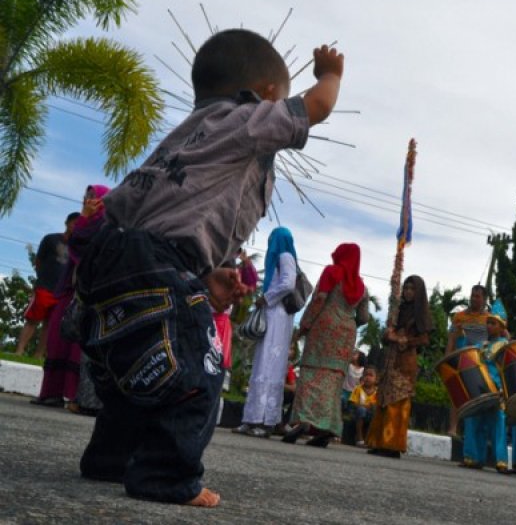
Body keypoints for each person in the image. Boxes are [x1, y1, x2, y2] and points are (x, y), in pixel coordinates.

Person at [75, 29, 344, 508]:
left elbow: (152, 218)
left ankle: (109, 459)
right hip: (160, 263)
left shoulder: (187, 135)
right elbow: (317, 107)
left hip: (112, 259)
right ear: (264, 96)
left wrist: (204, 275)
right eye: (276, 101)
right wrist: (329, 74)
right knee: (197, 369)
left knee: (131, 371)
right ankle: (166, 475)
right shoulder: (244, 120)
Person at [284, 243, 370, 448]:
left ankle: (303, 422)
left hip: (323, 329)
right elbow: (364, 317)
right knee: (332, 383)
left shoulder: (331, 273)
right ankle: (328, 429)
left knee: (311, 375)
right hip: (345, 335)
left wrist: (303, 327)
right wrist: (348, 322)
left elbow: (318, 301)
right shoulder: (362, 288)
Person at [34, 187, 110, 410]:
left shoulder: (105, 224)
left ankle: (78, 397)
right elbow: (72, 243)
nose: (87, 200)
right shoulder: (84, 224)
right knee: (58, 340)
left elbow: (82, 245)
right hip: (69, 291)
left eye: (93, 196)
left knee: (79, 347)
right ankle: (51, 393)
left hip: (90, 293)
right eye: (86, 196)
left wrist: (85, 219)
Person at [234, 227, 298, 437]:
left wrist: (268, 297)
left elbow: (288, 283)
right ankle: (251, 419)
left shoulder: (285, 256)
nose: (271, 241)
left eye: (273, 238)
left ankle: (266, 422)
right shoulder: (277, 260)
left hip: (279, 316)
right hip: (271, 315)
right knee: (261, 366)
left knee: (270, 368)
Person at [366, 275, 432, 457]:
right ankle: (378, 442)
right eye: (406, 288)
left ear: (418, 292)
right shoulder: (398, 309)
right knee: (384, 400)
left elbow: (425, 339)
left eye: (412, 289)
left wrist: (404, 339)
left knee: (398, 402)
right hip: (390, 360)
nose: (408, 292)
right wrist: (388, 336)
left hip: (405, 362)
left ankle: (393, 445)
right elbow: (386, 336)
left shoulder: (421, 313)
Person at [16, 212, 79, 358]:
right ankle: (19, 350)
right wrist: (41, 280)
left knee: (49, 325)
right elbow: (38, 260)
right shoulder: (50, 239)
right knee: (32, 319)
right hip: (45, 287)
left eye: (78, 224)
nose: (75, 226)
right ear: (67, 223)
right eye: (73, 223)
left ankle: (38, 355)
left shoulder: (77, 248)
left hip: (63, 292)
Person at [461, 300, 510, 472]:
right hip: (480, 389)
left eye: (493, 323)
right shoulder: (481, 345)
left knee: (497, 425)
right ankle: (473, 457)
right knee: (474, 421)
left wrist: (504, 389)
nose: (489, 326)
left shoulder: (505, 346)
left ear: (502, 326)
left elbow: (507, 370)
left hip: (496, 389)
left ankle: (501, 462)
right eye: (488, 322)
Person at [445, 285, 489, 435]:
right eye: (473, 295)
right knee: (456, 393)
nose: (474, 298)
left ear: (484, 299)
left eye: (478, 296)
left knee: (478, 396)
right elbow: (451, 339)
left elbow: (503, 336)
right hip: (460, 358)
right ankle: (453, 428)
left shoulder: (489, 318)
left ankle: (476, 433)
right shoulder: (459, 316)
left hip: (480, 361)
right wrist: (447, 358)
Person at [350, 367, 378, 447]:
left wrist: (371, 407)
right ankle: (359, 438)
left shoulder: (377, 392)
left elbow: (375, 405)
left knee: (376, 412)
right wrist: (366, 406)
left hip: (370, 413)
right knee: (361, 410)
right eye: (366, 375)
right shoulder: (358, 389)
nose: (368, 377)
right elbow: (353, 403)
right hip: (357, 414)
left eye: (371, 375)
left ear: (376, 379)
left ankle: (369, 439)